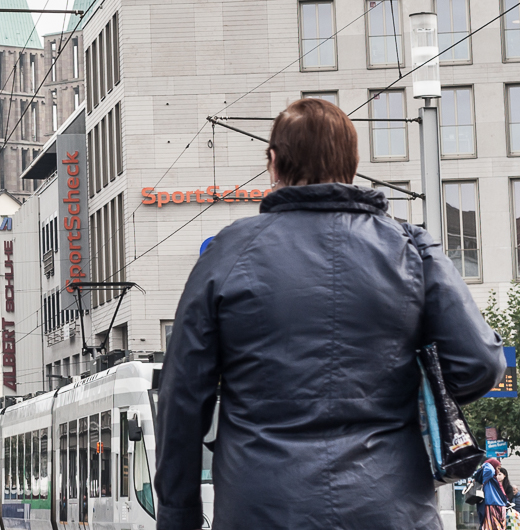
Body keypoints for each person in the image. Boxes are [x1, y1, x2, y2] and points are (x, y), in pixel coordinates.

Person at [154, 97, 504, 530]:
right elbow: (481, 365)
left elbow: (182, 399)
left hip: (261, 508)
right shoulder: (412, 250)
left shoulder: (228, 253)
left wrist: (178, 516)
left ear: (274, 162)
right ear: (353, 164)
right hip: (390, 509)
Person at [480, 459, 511, 530]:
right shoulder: (488, 476)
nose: (498, 471)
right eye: (498, 468)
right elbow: (490, 470)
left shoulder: (493, 479)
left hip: (498, 506)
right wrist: (486, 463)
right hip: (492, 506)